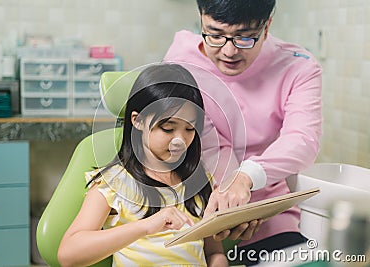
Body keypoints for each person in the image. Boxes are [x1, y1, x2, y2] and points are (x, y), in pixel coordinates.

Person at [164, 0, 322, 265]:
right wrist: (232, 201)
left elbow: (302, 139)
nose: (228, 51)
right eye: (215, 35)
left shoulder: (299, 67)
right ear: (201, 18)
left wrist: (247, 178)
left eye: (244, 37)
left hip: (269, 212)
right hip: (196, 207)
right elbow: (211, 142)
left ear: (267, 25)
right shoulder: (181, 61)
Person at [57, 63, 229, 267]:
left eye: (189, 129)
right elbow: (68, 254)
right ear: (137, 121)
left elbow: (213, 252)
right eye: (167, 128)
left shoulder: (200, 181)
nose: (180, 140)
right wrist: (145, 227)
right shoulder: (115, 183)